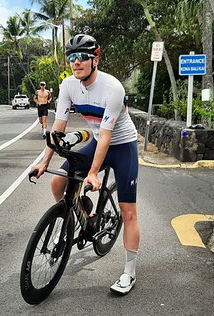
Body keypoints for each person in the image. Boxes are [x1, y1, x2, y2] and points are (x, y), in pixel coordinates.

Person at [32, 34, 140, 295]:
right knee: (58, 183)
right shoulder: (68, 86)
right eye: (72, 57)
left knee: (128, 212)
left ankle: (129, 272)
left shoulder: (113, 89)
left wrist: (93, 173)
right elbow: (58, 129)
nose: (76, 62)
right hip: (98, 141)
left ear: (95, 60)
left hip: (122, 145)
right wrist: (44, 161)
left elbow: (106, 135)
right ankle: (83, 215)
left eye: (82, 57)